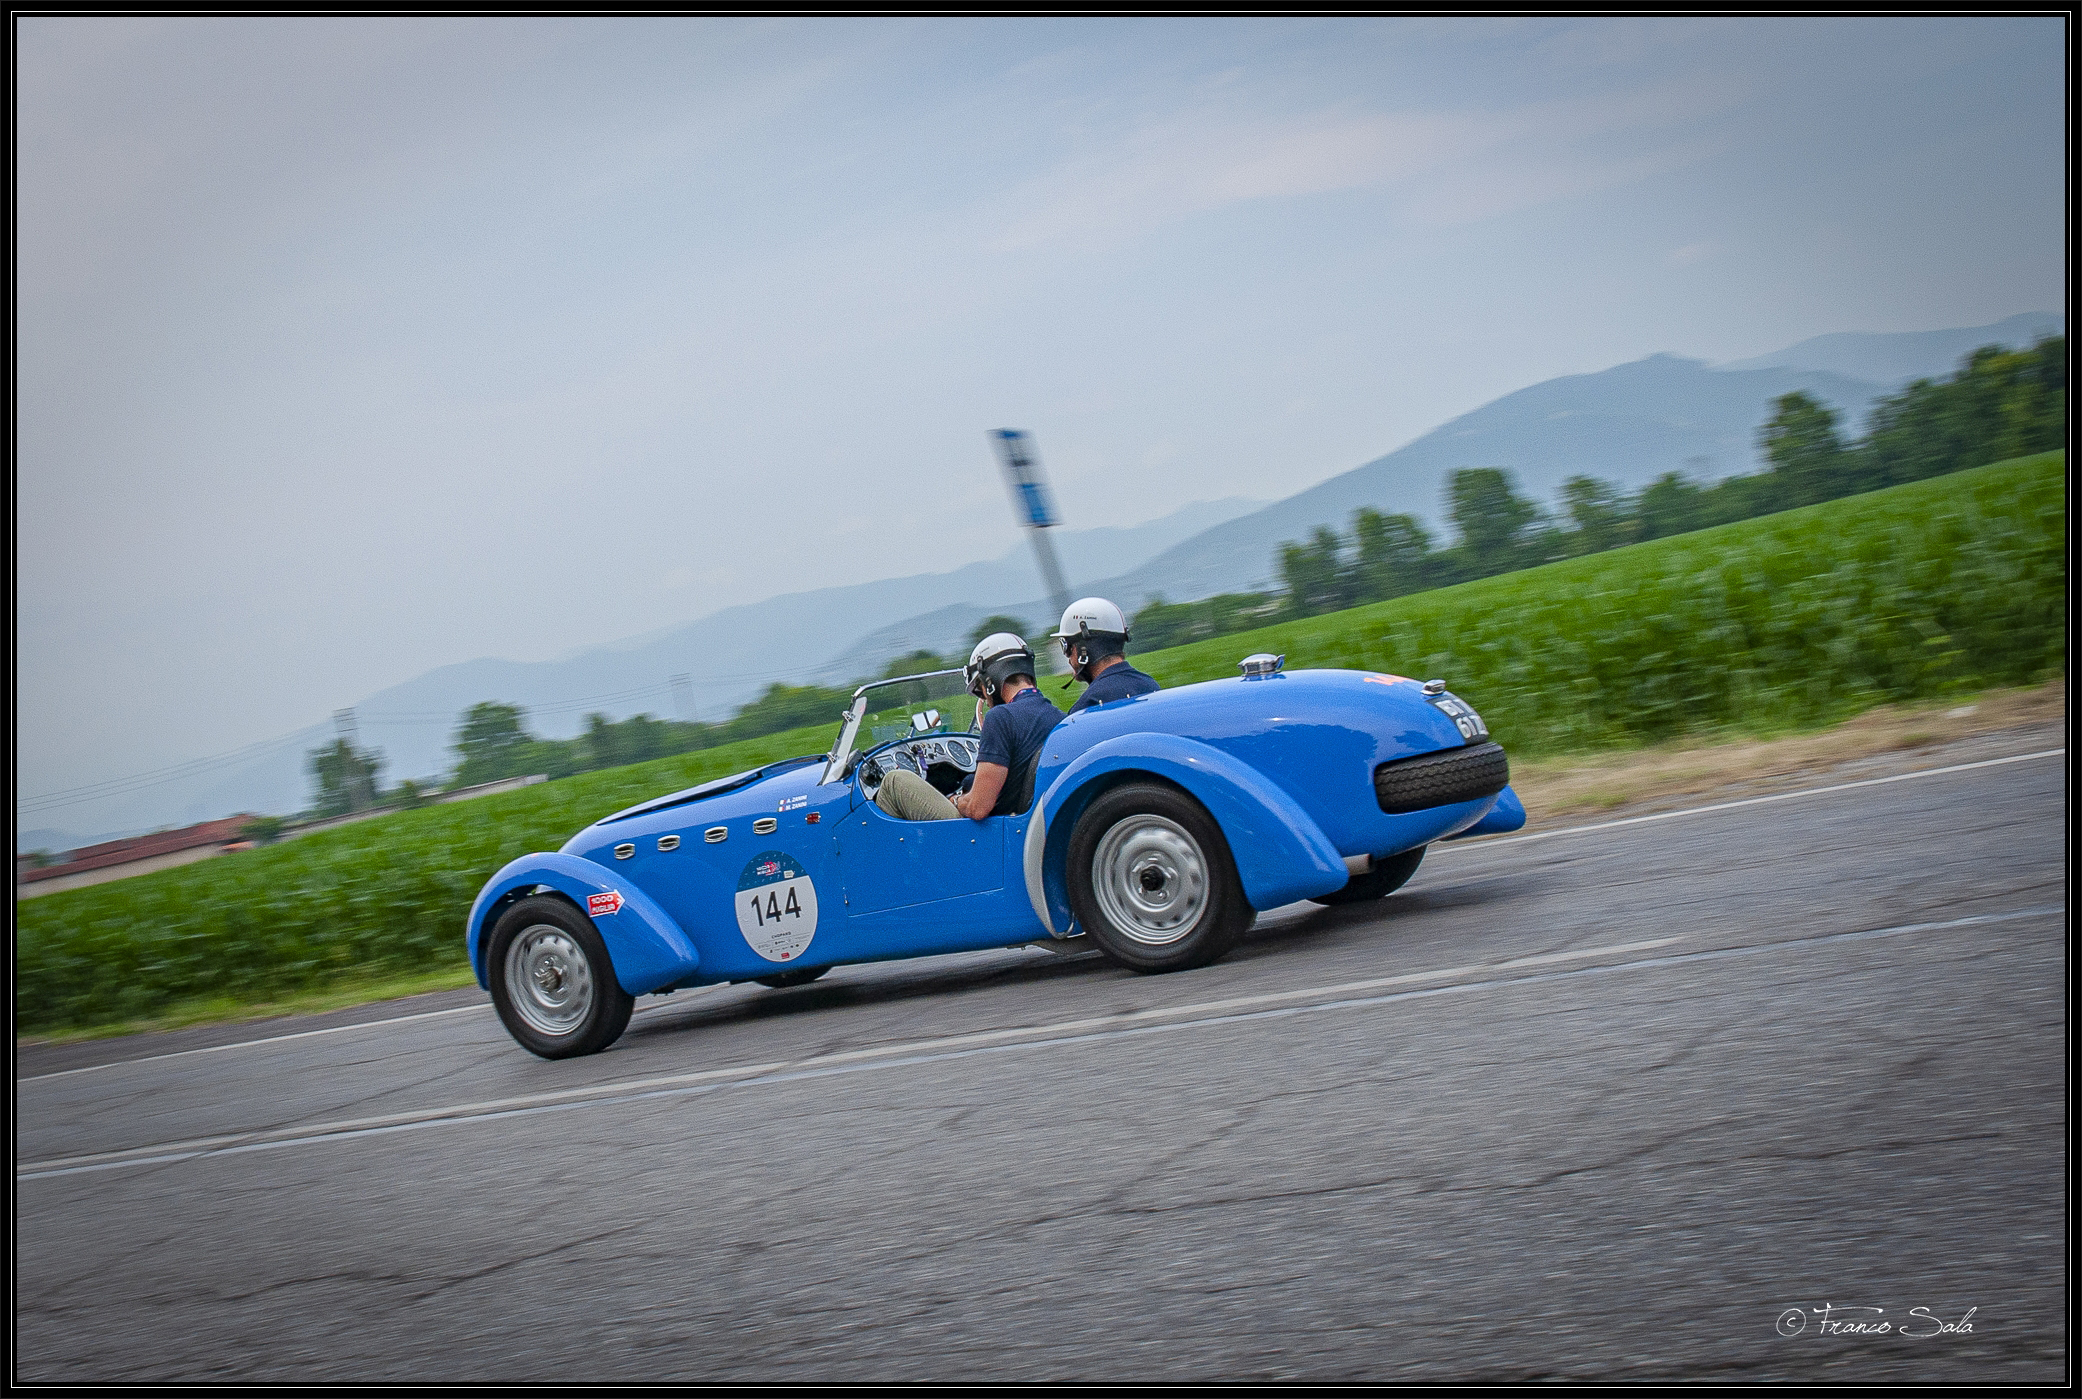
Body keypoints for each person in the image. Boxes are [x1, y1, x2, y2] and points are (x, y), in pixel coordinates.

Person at [874, 632, 1063, 822]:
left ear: (990, 682)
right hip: (1022, 820)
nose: (986, 701)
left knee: (894, 782)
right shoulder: (1057, 716)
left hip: (986, 832)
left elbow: (978, 808)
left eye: (980, 690)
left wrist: (955, 800)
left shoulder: (1000, 718)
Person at [1054, 597, 1160, 715]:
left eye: (1066, 646)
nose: (1068, 658)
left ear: (1083, 649)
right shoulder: (1150, 684)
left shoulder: (1087, 706)